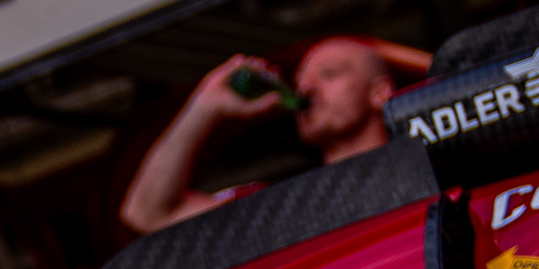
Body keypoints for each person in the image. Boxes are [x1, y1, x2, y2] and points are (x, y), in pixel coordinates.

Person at [118, 36, 432, 236]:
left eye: (330, 74)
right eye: (300, 80)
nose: (306, 88)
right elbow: (147, 213)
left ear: (379, 92)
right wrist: (203, 106)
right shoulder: (285, 205)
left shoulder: (429, 168)